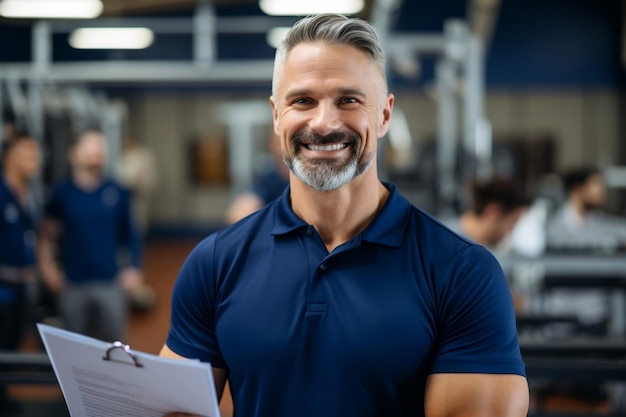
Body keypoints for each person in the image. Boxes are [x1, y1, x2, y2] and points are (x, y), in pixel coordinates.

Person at [160, 14, 528, 417]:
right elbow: (177, 410)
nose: (324, 122)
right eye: (303, 101)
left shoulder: (462, 273)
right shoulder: (215, 263)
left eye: (348, 100)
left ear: (384, 115)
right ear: (276, 115)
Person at [37, 130, 143, 342]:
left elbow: (130, 234)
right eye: (90, 148)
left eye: (100, 149)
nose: (97, 153)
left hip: (110, 283)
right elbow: (45, 234)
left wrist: (134, 268)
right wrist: (47, 268)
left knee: (113, 347)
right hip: (73, 284)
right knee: (74, 347)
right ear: (74, 154)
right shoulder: (62, 193)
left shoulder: (117, 191)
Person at [0, 131, 41, 412]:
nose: (34, 160)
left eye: (35, 154)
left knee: (12, 346)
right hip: (2, 287)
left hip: (22, 286)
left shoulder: (28, 195)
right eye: (27, 154)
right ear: (9, 158)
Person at [448, 177, 528, 254]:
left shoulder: (490, 251)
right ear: (493, 213)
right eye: (513, 222)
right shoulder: (444, 243)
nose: (511, 232)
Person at [224, 131, 289, 224]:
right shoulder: (268, 180)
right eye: (279, 143)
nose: (284, 148)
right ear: (271, 146)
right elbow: (239, 213)